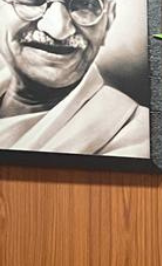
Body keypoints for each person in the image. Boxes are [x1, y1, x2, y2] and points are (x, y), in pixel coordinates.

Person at [0, 0, 149, 155]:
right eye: (33, 1)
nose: (58, 30)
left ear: (108, 21)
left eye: (85, 5)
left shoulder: (134, 133)